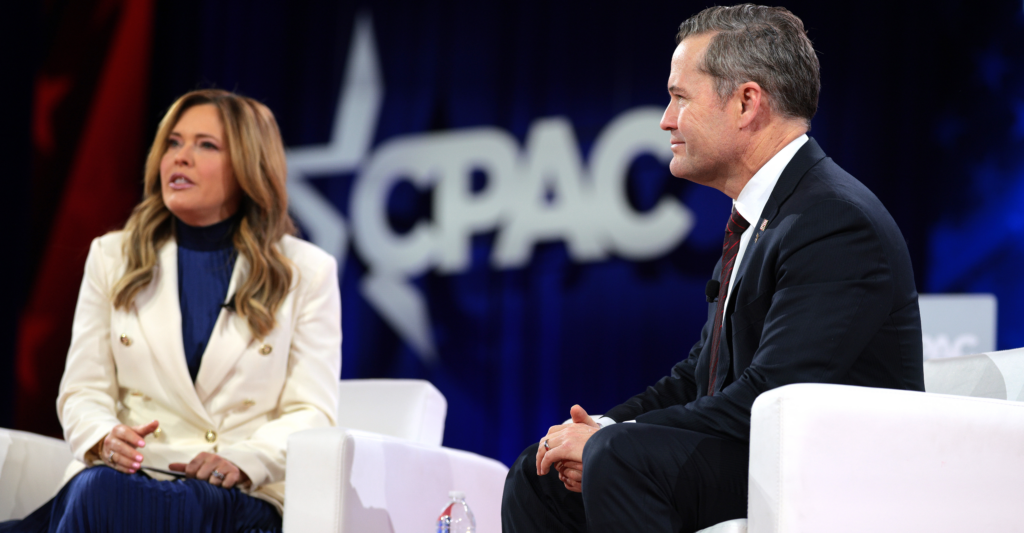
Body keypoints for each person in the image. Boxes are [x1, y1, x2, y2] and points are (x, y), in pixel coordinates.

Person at [501, 5, 924, 532]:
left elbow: (772, 396)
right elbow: (697, 379)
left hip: (836, 474)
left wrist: (608, 440)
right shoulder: (766, 216)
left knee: (619, 457)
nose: (665, 119)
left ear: (746, 102)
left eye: (680, 98)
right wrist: (603, 425)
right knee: (538, 473)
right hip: (762, 457)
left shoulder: (834, 220)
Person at [2, 89, 341, 532]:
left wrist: (244, 461)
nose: (179, 157)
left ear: (249, 167)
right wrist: (104, 438)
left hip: (237, 490)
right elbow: (83, 389)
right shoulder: (112, 256)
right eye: (173, 143)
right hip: (130, 474)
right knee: (98, 492)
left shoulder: (306, 271)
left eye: (206, 145)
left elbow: (311, 411)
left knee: (98, 498)